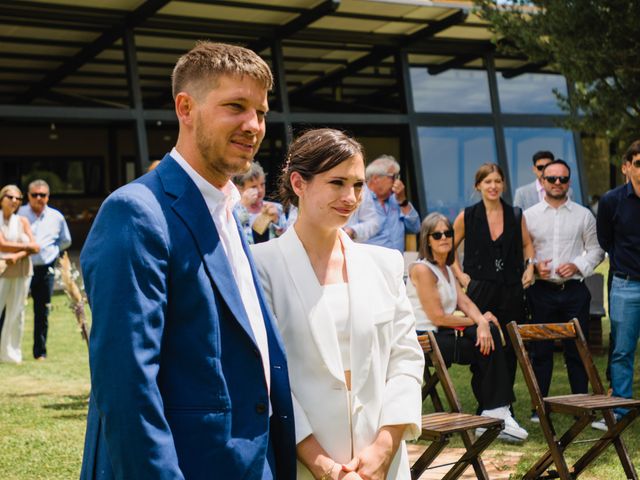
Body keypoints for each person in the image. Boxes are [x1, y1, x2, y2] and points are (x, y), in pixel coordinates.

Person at [79, 42, 295, 479]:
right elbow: (126, 387)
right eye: (235, 106)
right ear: (185, 107)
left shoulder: (228, 213)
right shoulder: (137, 211)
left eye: (261, 111)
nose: (253, 125)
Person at [252, 129, 424, 480]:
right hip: (301, 465)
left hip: (381, 465)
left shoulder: (385, 264)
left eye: (358, 185)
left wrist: (384, 448)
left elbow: (406, 360)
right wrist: (321, 464)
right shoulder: (259, 266)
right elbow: (263, 377)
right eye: (337, 183)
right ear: (298, 183)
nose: (351, 197)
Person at [407, 212, 528, 442]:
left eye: (448, 233)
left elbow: (465, 302)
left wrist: (482, 320)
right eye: (438, 234)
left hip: (440, 334)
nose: (444, 238)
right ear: (427, 240)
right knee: (486, 340)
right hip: (423, 339)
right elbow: (439, 317)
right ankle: (496, 411)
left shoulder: (447, 268)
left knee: (488, 332)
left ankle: (494, 411)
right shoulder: (422, 270)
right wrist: (479, 322)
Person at [452, 163, 535, 413]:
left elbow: (527, 245)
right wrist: (462, 277)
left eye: (497, 181)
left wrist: (530, 267)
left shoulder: (516, 214)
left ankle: (504, 406)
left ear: (503, 185)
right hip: (480, 290)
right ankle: (486, 404)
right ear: (478, 186)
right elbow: (448, 249)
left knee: (509, 347)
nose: (493, 186)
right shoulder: (467, 216)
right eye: (488, 181)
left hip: (511, 290)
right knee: (483, 345)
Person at [525, 159, 604, 421]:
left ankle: (579, 405)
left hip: (574, 290)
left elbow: (596, 250)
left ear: (569, 182)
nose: (557, 183)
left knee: (577, 349)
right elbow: (523, 252)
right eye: (551, 179)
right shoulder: (529, 216)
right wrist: (534, 267)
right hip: (541, 291)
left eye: (562, 179)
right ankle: (539, 407)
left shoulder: (583, 215)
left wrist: (578, 265)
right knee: (540, 350)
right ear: (542, 181)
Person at [595, 140, 640, 428]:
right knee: (622, 350)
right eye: (638, 163)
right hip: (626, 285)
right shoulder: (611, 200)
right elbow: (605, 240)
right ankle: (620, 411)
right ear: (626, 167)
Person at [18, 179, 71, 360]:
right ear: (28, 196)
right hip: (22, 266)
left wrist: (53, 252)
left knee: (42, 311)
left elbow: (65, 240)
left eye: (42, 195)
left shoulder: (56, 217)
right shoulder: (20, 213)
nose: (38, 198)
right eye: (34, 194)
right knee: (13, 307)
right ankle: (8, 351)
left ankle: (39, 352)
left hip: (46, 269)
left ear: (48, 197)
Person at [0, 185, 38, 363]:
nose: (14, 201)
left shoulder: (22, 221)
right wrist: (26, 248)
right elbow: (2, 245)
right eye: (10, 197)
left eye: (18, 198)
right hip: (2, 271)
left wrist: (17, 255)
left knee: (17, 312)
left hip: (22, 271)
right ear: (2, 199)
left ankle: (11, 354)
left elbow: (35, 246)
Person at [360, 155, 420, 252]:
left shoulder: (396, 199)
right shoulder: (359, 199)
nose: (397, 181)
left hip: (395, 264)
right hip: (370, 264)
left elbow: (415, 227)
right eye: (393, 177)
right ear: (376, 178)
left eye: (397, 177)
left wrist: (403, 201)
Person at [233, 161, 286, 244]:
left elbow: (286, 239)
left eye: (262, 184)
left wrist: (276, 221)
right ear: (240, 188)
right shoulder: (233, 210)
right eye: (253, 186)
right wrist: (243, 206)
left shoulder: (275, 208)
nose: (260, 190)